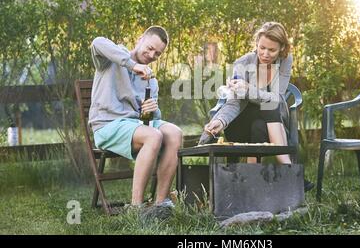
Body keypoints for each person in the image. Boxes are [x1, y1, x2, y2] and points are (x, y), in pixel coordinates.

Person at [200, 21, 314, 192]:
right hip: (240, 124)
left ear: (282, 49)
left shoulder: (285, 60)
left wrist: (249, 89)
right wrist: (221, 122)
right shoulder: (242, 63)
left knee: (265, 114)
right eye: (262, 48)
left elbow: (278, 96)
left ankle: (252, 179)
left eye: (272, 50)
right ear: (256, 44)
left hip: (268, 126)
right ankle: (290, 169)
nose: (265, 54)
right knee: (269, 106)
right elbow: (234, 103)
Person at [88, 26, 183, 217]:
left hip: (135, 126)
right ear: (140, 38)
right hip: (107, 125)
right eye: (149, 48)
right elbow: (97, 42)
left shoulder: (151, 80)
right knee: (154, 136)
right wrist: (132, 65)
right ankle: (136, 208)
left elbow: (148, 120)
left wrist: (153, 111)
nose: (151, 55)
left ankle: (160, 204)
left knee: (174, 133)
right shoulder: (112, 59)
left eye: (157, 53)